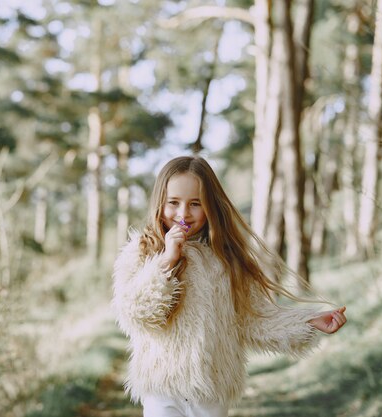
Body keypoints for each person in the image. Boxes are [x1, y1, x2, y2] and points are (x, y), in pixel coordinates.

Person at [111, 156, 347, 417]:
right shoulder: (143, 251)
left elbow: (254, 317)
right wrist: (167, 261)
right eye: (174, 203)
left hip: (211, 388)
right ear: (160, 203)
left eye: (195, 204)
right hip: (162, 388)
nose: (183, 214)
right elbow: (136, 313)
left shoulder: (225, 259)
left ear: (210, 206)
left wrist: (309, 322)